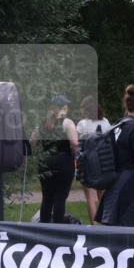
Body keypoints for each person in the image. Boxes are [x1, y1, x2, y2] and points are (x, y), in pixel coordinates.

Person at [95, 84, 134, 227]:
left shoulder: (117, 125)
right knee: (129, 238)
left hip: (113, 187)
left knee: (113, 236)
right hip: (129, 191)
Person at [32, 95, 79, 223]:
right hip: (63, 163)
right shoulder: (67, 123)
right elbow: (74, 143)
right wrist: (75, 156)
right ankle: (57, 229)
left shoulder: (42, 123)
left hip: (45, 163)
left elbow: (33, 143)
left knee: (46, 198)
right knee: (60, 197)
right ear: (63, 108)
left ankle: (44, 227)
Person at [75, 95, 111, 224]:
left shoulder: (82, 124)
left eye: (82, 108)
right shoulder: (106, 122)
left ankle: (94, 226)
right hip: (103, 163)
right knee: (102, 195)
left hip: (87, 163)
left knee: (89, 197)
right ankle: (105, 223)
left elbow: (78, 145)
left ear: (87, 109)